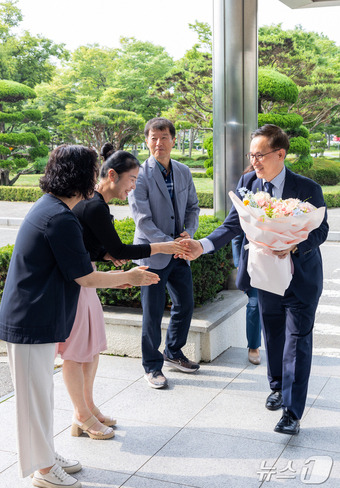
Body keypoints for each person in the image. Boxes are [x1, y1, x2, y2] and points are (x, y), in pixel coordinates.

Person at [0, 145, 160, 488]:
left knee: (40, 394)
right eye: (93, 171)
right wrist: (129, 277)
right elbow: (84, 277)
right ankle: (43, 471)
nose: (97, 176)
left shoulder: (55, 211)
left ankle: (45, 455)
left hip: (37, 316)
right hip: (30, 320)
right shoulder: (58, 217)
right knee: (34, 398)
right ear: (81, 177)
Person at [177, 124, 328, 435]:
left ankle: (292, 411)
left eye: (260, 155)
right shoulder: (248, 181)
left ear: (280, 154)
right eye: (252, 155)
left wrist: (297, 244)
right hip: (264, 276)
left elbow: (321, 229)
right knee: (272, 335)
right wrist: (202, 246)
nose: (254, 161)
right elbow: (233, 224)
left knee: (297, 342)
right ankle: (276, 387)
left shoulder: (307, 188)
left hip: (301, 278)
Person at [57, 146, 180, 437]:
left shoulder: (95, 203)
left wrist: (107, 255)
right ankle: (81, 415)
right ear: (111, 175)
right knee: (76, 352)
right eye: (132, 179)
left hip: (87, 280)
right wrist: (163, 247)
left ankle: (88, 409)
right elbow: (119, 249)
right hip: (79, 283)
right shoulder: (94, 204)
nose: (134, 186)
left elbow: (94, 247)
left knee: (90, 347)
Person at [128, 117, 200, 389]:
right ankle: (152, 365)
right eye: (153, 138)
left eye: (164, 137)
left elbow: (193, 207)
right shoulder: (139, 174)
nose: (159, 143)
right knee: (153, 313)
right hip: (154, 254)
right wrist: (167, 244)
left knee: (185, 304)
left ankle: (173, 351)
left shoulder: (183, 171)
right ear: (147, 141)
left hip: (179, 251)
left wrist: (188, 234)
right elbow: (142, 219)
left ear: (173, 140)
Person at [231, 163, 262, 365]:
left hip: (278, 258)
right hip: (250, 256)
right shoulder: (247, 183)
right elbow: (235, 231)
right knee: (254, 303)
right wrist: (238, 263)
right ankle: (254, 346)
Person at [232, 233, 261, 364]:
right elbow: (236, 237)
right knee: (255, 306)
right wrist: (239, 266)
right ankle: (254, 347)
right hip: (253, 264)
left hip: (280, 262)